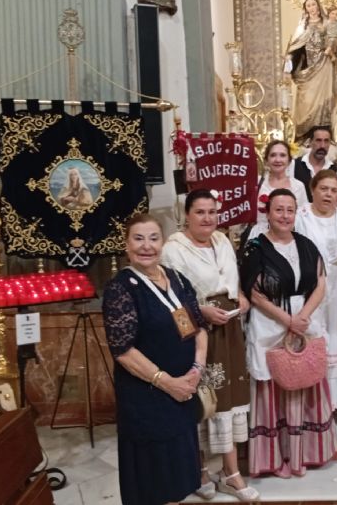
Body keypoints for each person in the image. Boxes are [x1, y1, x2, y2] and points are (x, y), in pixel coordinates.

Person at [102, 214, 208, 505]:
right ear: (126, 245)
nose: (146, 246)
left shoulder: (175, 278)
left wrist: (196, 370)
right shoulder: (121, 289)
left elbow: (198, 328)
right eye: (138, 238)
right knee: (154, 485)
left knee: (178, 480)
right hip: (147, 399)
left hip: (183, 393)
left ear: (163, 242)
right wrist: (166, 383)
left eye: (153, 238)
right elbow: (123, 350)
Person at [161, 190, 259, 502]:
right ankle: (199, 470)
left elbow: (233, 281)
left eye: (212, 212)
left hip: (229, 330)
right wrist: (200, 312)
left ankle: (231, 473)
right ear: (186, 215)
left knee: (228, 399)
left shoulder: (222, 241)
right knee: (203, 400)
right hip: (195, 333)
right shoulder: (172, 250)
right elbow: (169, 301)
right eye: (200, 212)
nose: (207, 218)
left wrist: (241, 297)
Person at [240, 188, 337, 478]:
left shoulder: (307, 245)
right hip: (270, 323)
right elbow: (254, 294)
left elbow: (321, 283)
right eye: (279, 209)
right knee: (273, 386)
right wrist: (288, 320)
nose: (284, 216)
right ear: (268, 213)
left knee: (302, 380)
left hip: (304, 321)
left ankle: (303, 454)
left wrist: (303, 317)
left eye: (290, 210)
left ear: (297, 213)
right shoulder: (255, 248)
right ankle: (275, 458)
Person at [295, 170, 337, 410]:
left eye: (334, 190)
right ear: (312, 189)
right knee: (311, 335)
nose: (328, 194)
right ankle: (310, 400)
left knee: (334, 337)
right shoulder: (301, 216)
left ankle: (332, 401)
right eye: (324, 189)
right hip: (308, 287)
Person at [286, 0, 337, 141]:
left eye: (313, 4)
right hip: (307, 71)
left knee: (323, 101)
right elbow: (295, 47)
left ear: (318, 6)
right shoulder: (302, 26)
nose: (311, 8)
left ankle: (323, 134)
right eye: (308, 5)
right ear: (305, 9)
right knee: (304, 102)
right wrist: (289, 62)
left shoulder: (327, 22)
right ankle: (304, 137)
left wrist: (332, 46)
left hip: (324, 65)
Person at [248, 140, 308, 241]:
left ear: (289, 160)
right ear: (266, 160)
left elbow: (303, 217)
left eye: (282, 155)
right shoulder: (257, 183)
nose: (277, 160)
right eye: (273, 155)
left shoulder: (298, 186)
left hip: (290, 237)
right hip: (261, 236)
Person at [292, 125, 337, 204]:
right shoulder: (294, 165)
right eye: (318, 140)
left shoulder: (336, 170)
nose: (322, 145)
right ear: (310, 142)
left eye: (326, 141)